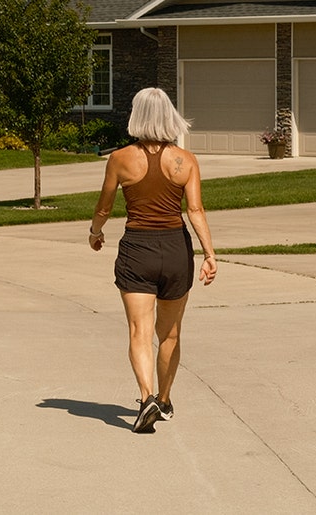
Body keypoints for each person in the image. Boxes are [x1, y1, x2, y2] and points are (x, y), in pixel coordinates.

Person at [89, 87, 217, 434]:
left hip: (138, 251)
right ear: (170, 116)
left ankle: (146, 398)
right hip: (176, 251)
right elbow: (195, 210)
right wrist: (209, 253)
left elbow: (104, 207)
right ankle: (164, 399)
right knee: (170, 333)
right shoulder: (185, 160)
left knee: (139, 332)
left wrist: (95, 232)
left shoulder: (120, 159)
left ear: (136, 116)